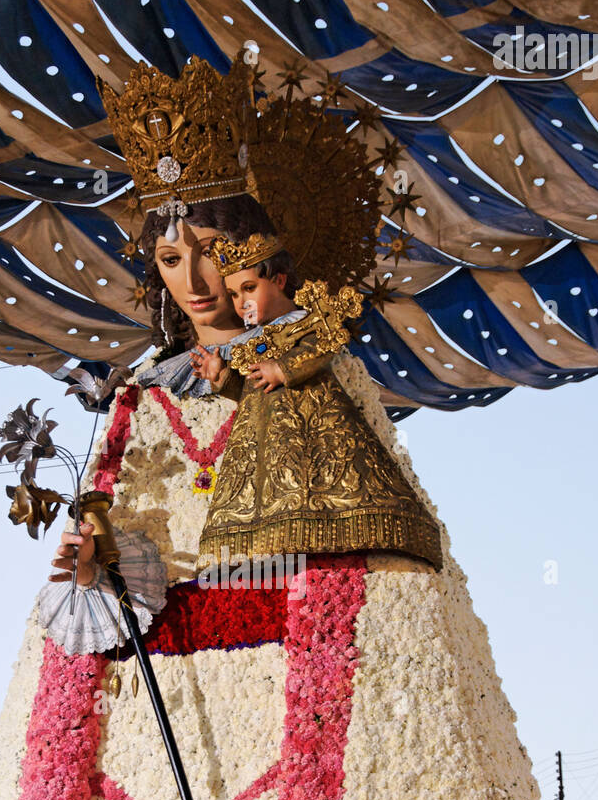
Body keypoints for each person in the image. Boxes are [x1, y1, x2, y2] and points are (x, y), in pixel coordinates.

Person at [185, 231, 442, 573]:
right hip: (264, 448)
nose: (240, 302)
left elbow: (324, 347)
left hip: (315, 434)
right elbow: (253, 393)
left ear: (277, 280)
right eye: (233, 294)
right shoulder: (255, 341)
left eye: (248, 288)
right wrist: (222, 377)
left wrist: (284, 368)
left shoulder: (312, 320)